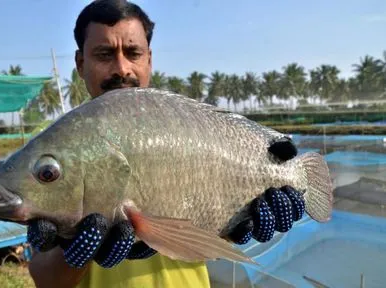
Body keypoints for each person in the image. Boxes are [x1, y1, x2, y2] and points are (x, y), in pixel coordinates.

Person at [27, 1, 306, 287]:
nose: (121, 68)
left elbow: (207, 237)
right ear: (81, 63)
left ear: (148, 59)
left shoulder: (193, 128)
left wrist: (236, 226)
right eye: (104, 54)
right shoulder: (54, 149)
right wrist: (75, 253)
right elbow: (45, 279)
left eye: (133, 53)